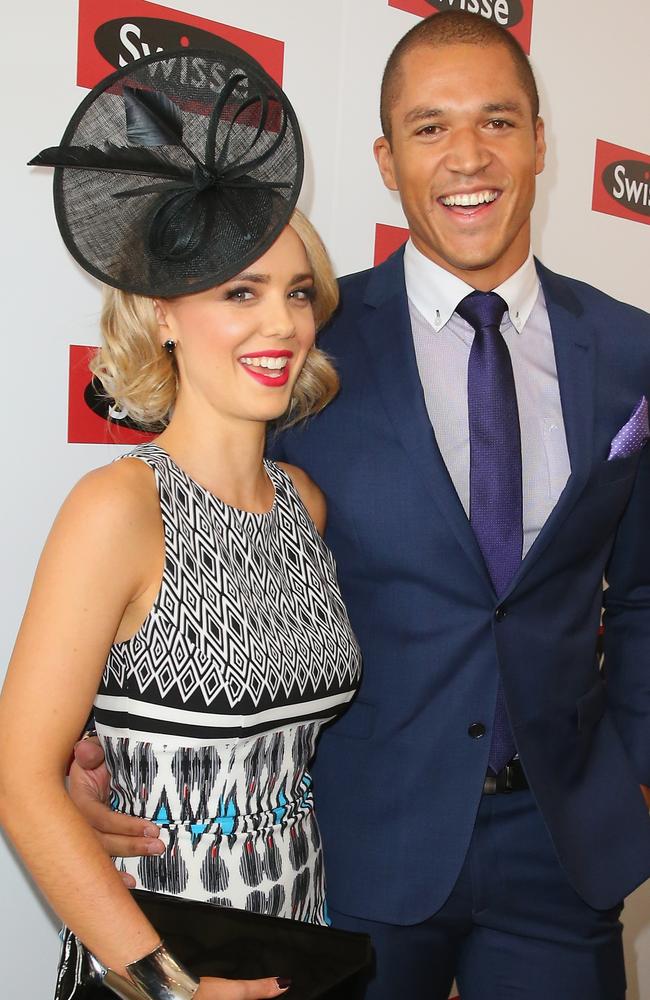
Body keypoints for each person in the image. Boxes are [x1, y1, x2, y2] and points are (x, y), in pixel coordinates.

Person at [70, 11, 650, 1000]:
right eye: (428, 128)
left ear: (541, 141)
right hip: (355, 846)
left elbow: (637, 595)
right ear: (386, 159)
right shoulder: (304, 335)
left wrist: (637, 774)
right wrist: (97, 734)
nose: (466, 155)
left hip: (564, 849)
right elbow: (202, 527)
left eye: (496, 122)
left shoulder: (629, 348)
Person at [0, 43, 362, 1000]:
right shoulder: (118, 506)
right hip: (161, 964)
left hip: (302, 946)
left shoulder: (304, 505)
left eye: (294, 291)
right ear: (163, 314)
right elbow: (22, 778)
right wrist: (164, 985)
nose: (279, 325)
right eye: (237, 293)